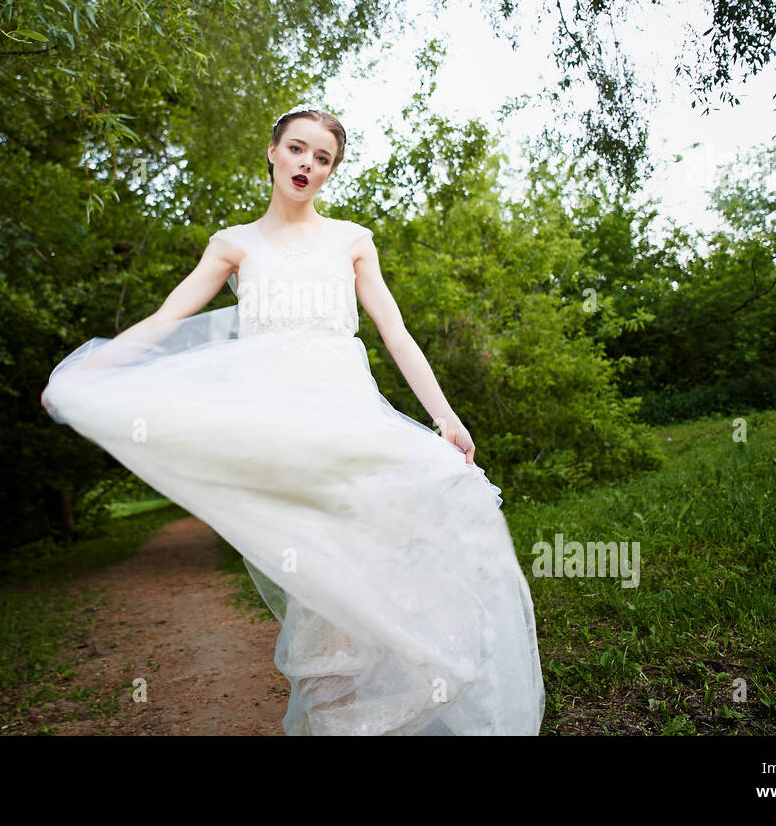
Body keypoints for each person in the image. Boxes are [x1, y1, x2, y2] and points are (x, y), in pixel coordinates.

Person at [41, 105, 545, 735]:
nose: (308, 164)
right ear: (273, 151)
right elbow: (168, 320)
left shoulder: (351, 240)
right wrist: (86, 374)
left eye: (323, 157)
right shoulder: (233, 245)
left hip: (349, 424)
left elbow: (395, 331)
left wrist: (444, 417)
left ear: (331, 170)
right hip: (279, 436)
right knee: (318, 585)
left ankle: (430, 672)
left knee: (391, 545)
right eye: (298, 149)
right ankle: (338, 722)